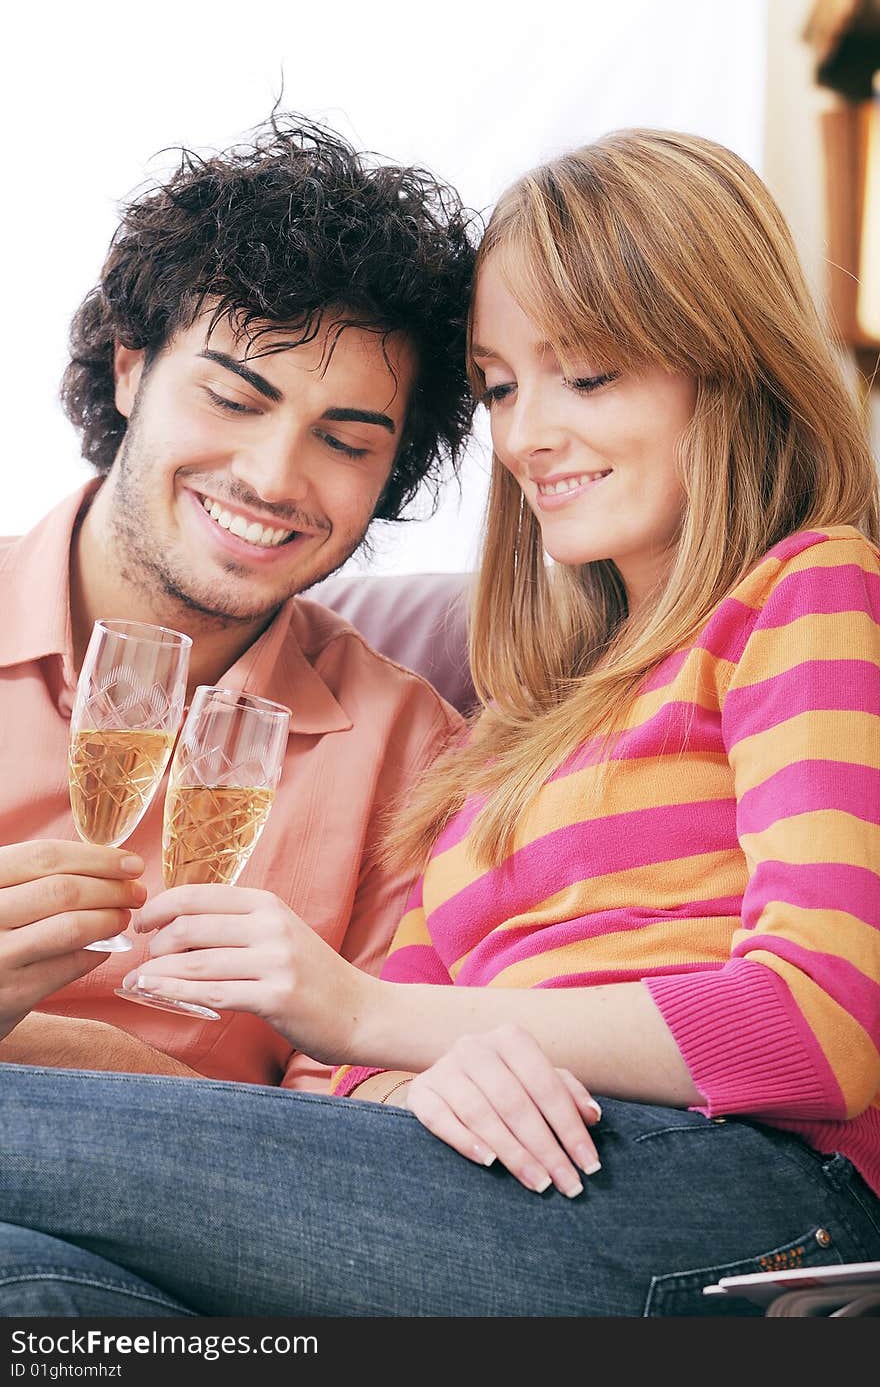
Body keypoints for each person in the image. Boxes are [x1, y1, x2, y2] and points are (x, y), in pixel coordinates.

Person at [3, 127, 880, 1319]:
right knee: (42, 1298)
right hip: (483, 1183)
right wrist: (411, 1074)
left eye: (591, 374)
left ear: (725, 363)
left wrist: (382, 1022)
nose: (524, 439)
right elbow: (348, 1073)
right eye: (501, 390)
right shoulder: (520, 728)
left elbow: (820, 1026)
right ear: (126, 369)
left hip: (723, 1190)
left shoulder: (808, 589)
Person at [0, 113, 476, 1088]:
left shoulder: (411, 755)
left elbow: (368, 1109)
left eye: (344, 442)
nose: (271, 476)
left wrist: (124, 1081)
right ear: (131, 368)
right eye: (232, 399)